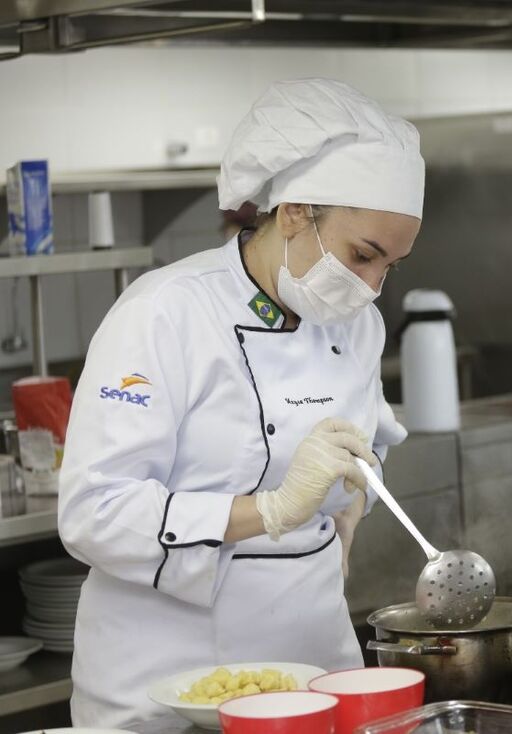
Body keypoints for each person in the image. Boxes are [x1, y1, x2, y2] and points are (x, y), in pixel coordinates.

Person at [58, 78, 423, 726]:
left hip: (315, 662)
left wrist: (353, 492)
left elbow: (360, 443)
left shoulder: (357, 325)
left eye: (390, 267)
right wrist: (274, 508)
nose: (371, 287)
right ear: (293, 213)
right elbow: (95, 511)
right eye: (362, 255)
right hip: (166, 676)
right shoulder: (163, 313)